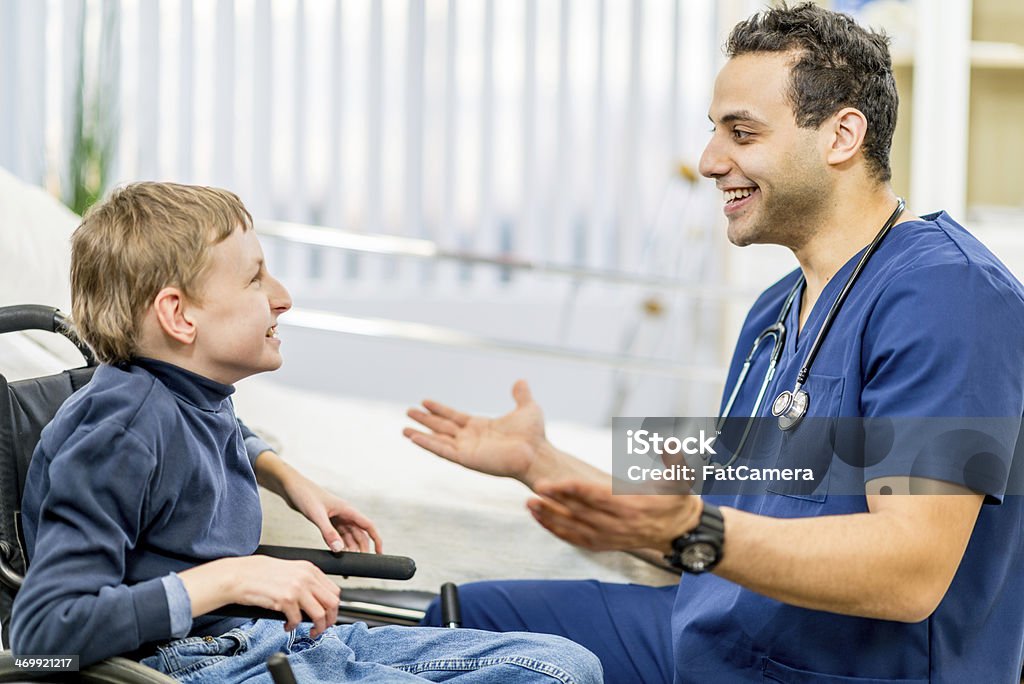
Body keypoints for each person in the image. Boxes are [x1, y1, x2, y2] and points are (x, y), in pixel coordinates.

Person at [405, 3, 1024, 682]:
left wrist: (692, 532)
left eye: (742, 133)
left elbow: (913, 573)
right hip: (716, 630)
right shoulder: (772, 314)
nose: (708, 161)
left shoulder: (951, 296)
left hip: (827, 668)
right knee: (458, 626)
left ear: (843, 135)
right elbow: (727, 501)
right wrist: (545, 463)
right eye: (714, 132)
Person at [9, 182, 603, 684]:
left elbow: (220, 430)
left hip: (268, 641)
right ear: (180, 315)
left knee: (563, 665)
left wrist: (286, 476)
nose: (284, 298)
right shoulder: (118, 429)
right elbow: (43, 635)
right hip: (197, 663)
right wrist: (235, 576)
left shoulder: (178, 393)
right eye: (255, 279)